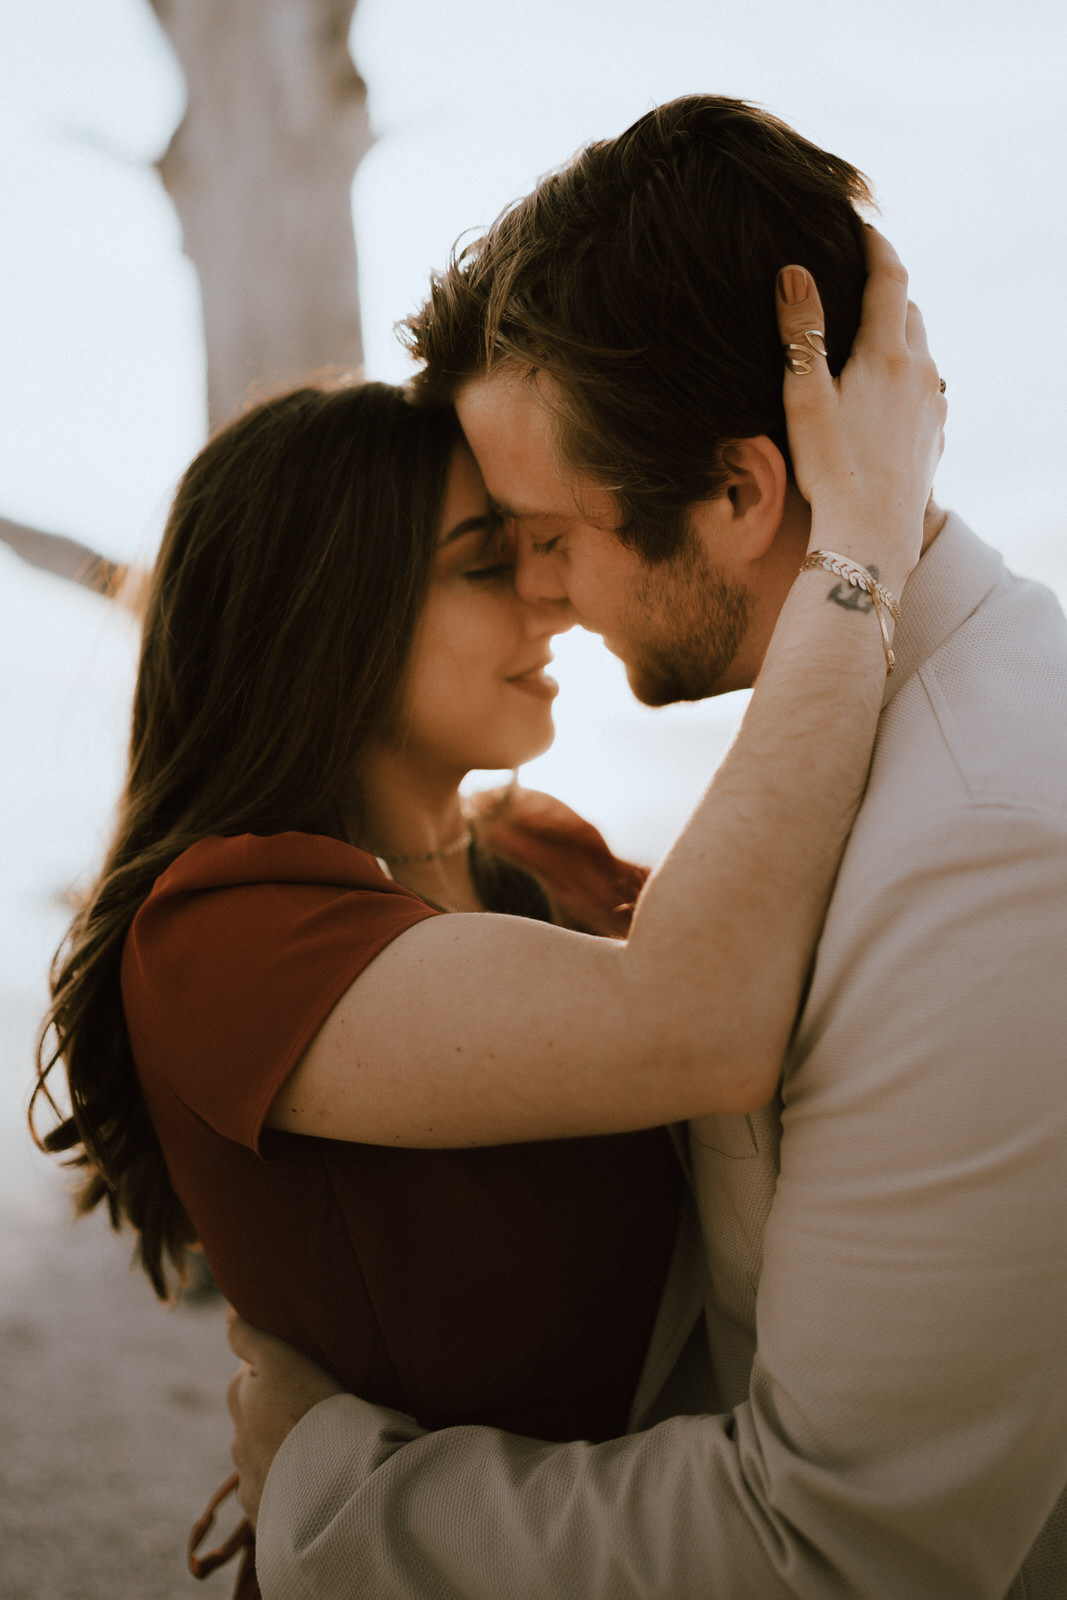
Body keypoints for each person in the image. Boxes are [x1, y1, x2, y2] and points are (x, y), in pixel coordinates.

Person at [32, 186, 937, 1596]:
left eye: (536, 545)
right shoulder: (224, 935)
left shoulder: (539, 854)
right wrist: (855, 553)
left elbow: (806, 975)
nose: (550, 598)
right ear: (329, 620)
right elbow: (702, 1016)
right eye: (483, 563)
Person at [227, 98, 1067, 1599]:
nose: (544, 596)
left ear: (741, 494)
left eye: (546, 531)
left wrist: (334, 1493)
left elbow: (833, 1549)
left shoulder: (995, 856)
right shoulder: (864, 754)